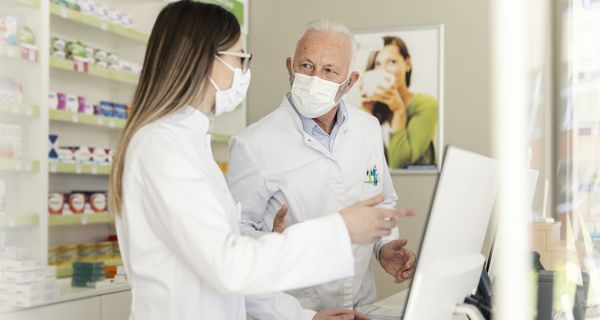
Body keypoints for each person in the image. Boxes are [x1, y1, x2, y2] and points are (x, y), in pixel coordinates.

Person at [108, 2, 412, 319]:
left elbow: (229, 259)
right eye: (239, 59)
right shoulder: (162, 147)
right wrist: (339, 229)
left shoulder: (189, 144)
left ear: (349, 81)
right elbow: (229, 265)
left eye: (329, 71)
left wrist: (303, 316)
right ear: (202, 62)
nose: (243, 72)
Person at [227, 20, 417, 315]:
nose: (315, 78)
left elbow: (383, 200)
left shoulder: (367, 128)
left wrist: (384, 247)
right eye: (306, 66)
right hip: (298, 310)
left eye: (329, 70)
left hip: (360, 306)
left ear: (350, 81)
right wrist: (272, 243)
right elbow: (234, 238)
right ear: (290, 67)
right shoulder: (253, 145)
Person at [362, 36, 438, 169]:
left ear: (407, 64)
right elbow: (367, 164)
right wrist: (367, 113)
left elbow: (399, 165)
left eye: (391, 62)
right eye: (378, 64)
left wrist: (399, 112)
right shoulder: (375, 107)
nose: (383, 70)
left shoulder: (426, 104)